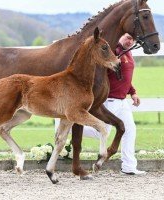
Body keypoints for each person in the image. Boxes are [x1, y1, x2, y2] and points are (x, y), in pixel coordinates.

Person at [55, 33, 145, 175]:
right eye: (128, 37)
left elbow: (125, 77)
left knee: (130, 129)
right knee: (102, 132)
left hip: (122, 100)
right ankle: (64, 125)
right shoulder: (110, 52)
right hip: (110, 99)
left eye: (133, 39)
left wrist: (133, 92)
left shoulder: (128, 53)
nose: (130, 41)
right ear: (120, 36)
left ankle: (129, 166)